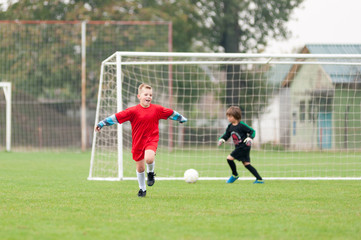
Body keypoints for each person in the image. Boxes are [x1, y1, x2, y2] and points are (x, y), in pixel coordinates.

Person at [95, 83, 187, 197]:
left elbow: (170, 113)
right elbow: (117, 117)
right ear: (139, 96)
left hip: (151, 139)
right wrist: (102, 123)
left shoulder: (157, 109)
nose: (148, 97)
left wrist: (181, 118)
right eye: (146, 94)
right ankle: (142, 189)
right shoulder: (132, 111)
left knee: (149, 158)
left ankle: (151, 173)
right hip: (138, 142)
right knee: (140, 167)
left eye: (150, 95)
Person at [218, 106, 264, 184]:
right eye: (227, 116)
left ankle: (235, 175)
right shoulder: (230, 126)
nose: (228, 118)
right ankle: (259, 179)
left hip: (243, 147)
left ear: (236, 116)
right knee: (246, 164)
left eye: (230, 116)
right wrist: (222, 139)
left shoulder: (241, 125)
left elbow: (252, 131)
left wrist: (250, 138)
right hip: (240, 147)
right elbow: (226, 135)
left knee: (229, 158)